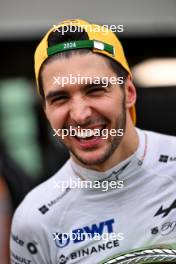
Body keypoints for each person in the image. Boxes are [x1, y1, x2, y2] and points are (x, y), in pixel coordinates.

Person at [10, 19, 176, 264]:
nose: (80, 115)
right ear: (45, 109)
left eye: (95, 90)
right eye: (60, 98)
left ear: (128, 92)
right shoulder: (34, 219)